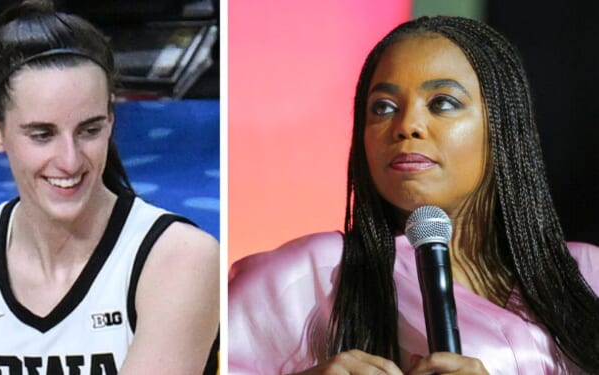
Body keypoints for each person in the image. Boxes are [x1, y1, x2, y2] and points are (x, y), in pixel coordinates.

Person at [228, 15, 599, 375]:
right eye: (383, 108)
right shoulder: (308, 274)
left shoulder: (588, 274)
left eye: (442, 103)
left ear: (504, 124)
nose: (406, 126)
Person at [0, 1, 219, 374]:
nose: (70, 159)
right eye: (42, 134)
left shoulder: (177, 260)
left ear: (111, 120)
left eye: (90, 130)